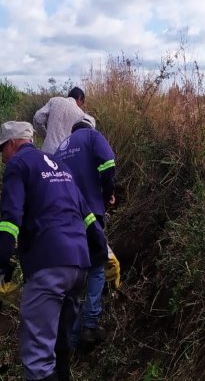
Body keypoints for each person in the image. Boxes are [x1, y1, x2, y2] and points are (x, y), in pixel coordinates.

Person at [0, 121, 108, 381]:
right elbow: (86, 217)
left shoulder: (18, 166)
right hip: (78, 268)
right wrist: (102, 254)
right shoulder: (60, 167)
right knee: (61, 345)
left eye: (2, 152)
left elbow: (10, 221)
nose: (2, 160)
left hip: (49, 266)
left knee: (39, 360)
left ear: (12, 144)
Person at [53, 115, 120, 350]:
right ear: (89, 127)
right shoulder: (92, 136)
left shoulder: (61, 148)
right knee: (95, 268)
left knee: (73, 274)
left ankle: (69, 341)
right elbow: (108, 164)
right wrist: (107, 194)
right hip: (89, 213)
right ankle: (90, 326)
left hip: (62, 219)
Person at [33, 87, 86, 154]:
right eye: (83, 102)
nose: (81, 105)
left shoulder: (54, 100)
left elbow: (37, 118)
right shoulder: (81, 114)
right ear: (79, 98)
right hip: (64, 154)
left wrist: (45, 135)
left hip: (47, 150)